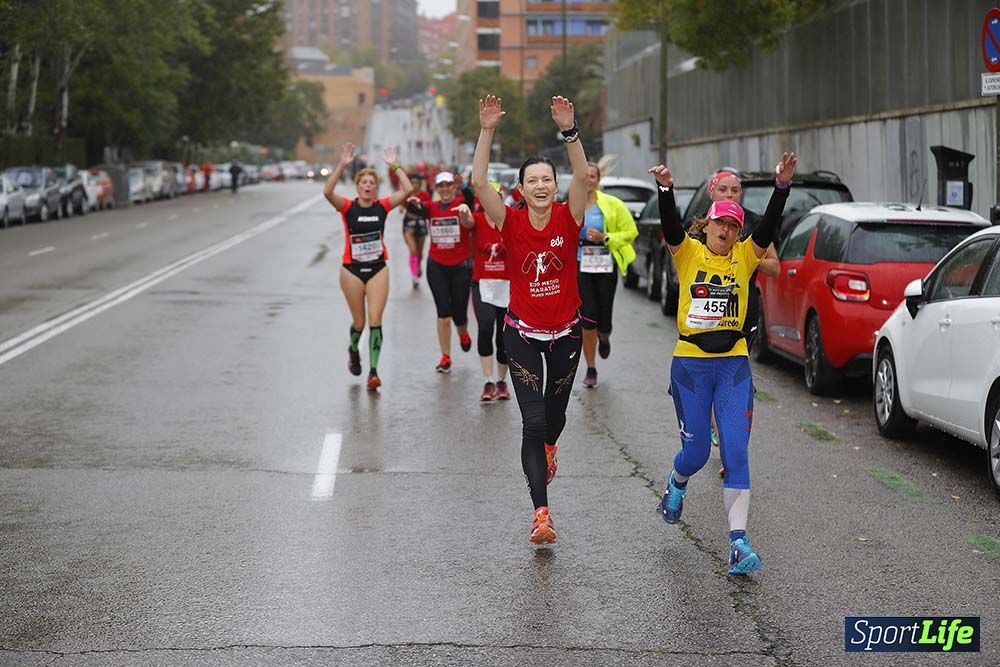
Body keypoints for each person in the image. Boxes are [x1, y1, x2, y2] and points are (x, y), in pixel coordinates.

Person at [651, 152, 796, 575]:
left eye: (734, 225)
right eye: (721, 223)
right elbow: (670, 225)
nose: (727, 231)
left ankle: (737, 543)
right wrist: (665, 188)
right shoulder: (688, 253)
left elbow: (768, 226)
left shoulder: (746, 256)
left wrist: (781, 187)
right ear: (708, 223)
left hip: (733, 365)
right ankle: (676, 485)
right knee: (696, 454)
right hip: (691, 367)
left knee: (735, 451)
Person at [472, 95, 588, 545]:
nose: (540, 185)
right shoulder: (510, 221)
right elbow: (480, 182)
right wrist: (487, 131)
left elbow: (582, 173)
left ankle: (550, 450)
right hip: (521, 334)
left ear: (555, 186)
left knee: (554, 422)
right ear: (520, 189)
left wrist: (569, 130)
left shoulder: (569, 216)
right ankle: (542, 515)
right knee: (533, 421)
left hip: (566, 336)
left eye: (546, 179)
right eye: (532, 180)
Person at [703, 170, 781, 474]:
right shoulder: (703, 223)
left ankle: (728, 442)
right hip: (703, 314)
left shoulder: (753, 224)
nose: (730, 195)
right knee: (708, 380)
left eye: (736, 190)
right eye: (724, 189)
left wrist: (746, 257)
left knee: (732, 383)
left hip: (740, 315)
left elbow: (775, 266)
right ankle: (712, 422)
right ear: (712, 192)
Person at [323, 142, 412, 391]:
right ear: (357, 187)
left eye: (372, 184)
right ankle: (353, 349)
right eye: (364, 183)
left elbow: (408, 189)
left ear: (376, 189)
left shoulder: (382, 206)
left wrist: (395, 165)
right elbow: (327, 192)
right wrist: (342, 165)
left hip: (377, 269)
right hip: (351, 270)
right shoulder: (347, 207)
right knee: (359, 323)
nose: (368, 187)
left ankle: (373, 371)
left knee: (375, 320)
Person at [577, 161, 638, 388]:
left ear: (598, 180)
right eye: (585, 176)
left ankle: (604, 336)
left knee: (603, 317)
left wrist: (605, 237)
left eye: (593, 176)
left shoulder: (613, 204)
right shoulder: (571, 204)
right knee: (587, 316)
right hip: (580, 264)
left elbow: (631, 232)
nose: (589, 180)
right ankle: (591, 367)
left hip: (605, 265)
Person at [408, 171, 475, 373]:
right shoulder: (431, 208)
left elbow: (471, 199)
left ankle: (463, 332)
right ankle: (445, 356)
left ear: (454, 187)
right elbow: (414, 208)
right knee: (443, 313)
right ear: (436, 189)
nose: (445, 189)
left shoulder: (463, 204)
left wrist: (463, 187)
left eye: (448, 185)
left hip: (461, 266)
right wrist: (411, 201)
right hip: (436, 265)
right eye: (441, 186)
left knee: (459, 313)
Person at [470, 184, 511, 402]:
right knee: (485, 328)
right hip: (482, 283)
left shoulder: (509, 219)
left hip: (506, 285)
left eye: (494, 196)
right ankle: (488, 380)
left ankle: (501, 380)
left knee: (504, 335)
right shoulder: (476, 218)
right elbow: (467, 222)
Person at [402, 173, 431, 288]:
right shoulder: (407, 193)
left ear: (420, 184)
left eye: (416, 183)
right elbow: (402, 204)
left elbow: (428, 209)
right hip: (409, 223)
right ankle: (414, 276)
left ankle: (418, 266)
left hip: (421, 223)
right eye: (412, 183)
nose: (414, 185)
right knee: (413, 250)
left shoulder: (425, 195)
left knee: (419, 251)